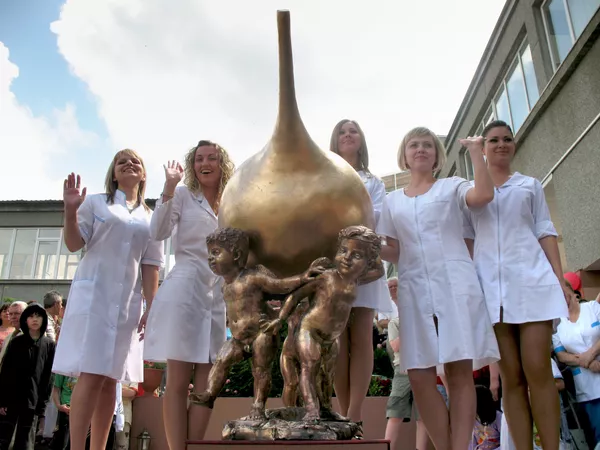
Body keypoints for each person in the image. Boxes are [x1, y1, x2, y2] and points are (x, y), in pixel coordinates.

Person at [378, 127, 499, 450]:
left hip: (454, 283)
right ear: (404, 156)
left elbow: (483, 195)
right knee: (419, 377)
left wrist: (476, 152)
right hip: (414, 289)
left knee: (458, 373)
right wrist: (366, 245)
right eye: (414, 145)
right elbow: (394, 250)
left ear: (437, 155)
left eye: (428, 145)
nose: (421, 149)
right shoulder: (391, 201)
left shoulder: (452, 186)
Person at [463, 120, 569, 450]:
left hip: (532, 283)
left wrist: (559, 278)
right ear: (483, 147)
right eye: (493, 140)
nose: (501, 144)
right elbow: (467, 241)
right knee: (511, 378)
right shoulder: (470, 192)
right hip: (491, 291)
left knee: (538, 369)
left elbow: (545, 230)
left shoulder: (529, 185)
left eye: (507, 139)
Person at [53, 149, 163, 450]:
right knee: (91, 374)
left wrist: (152, 307)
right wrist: (70, 211)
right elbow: (74, 243)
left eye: (135, 161)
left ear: (143, 174)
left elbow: (151, 265)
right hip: (94, 299)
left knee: (111, 380)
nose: (128, 164)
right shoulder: (95, 203)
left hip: (127, 305)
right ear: (113, 173)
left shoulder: (151, 217)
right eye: (121, 162)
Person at [143, 140, 235, 449]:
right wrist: (169, 187)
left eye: (212, 158)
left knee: (207, 388)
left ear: (222, 164)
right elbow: (158, 232)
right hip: (184, 291)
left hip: (218, 296)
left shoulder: (234, 201)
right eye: (198, 159)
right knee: (179, 382)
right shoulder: (183, 195)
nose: (204, 163)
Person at [191, 227, 321, 419]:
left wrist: (302, 277)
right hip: (238, 338)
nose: (210, 258)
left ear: (236, 255)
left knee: (260, 370)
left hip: (262, 332)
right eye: (209, 253)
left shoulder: (252, 278)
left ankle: (258, 406)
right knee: (221, 360)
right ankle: (210, 394)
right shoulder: (225, 285)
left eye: (216, 252)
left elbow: (280, 286)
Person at [263, 226, 384, 422]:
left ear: (367, 263)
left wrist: (370, 244)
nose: (347, 258)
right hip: (310, 331)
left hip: (330, 338)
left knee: (327, 375)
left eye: (356, 255)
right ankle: (311, 410)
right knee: (309, 368)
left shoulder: (356, 279)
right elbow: (295, 296)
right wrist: (280, 319)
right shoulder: (326, 277)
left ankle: (326, 408)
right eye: (343, 251)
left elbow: (379, 270)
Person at [329, 119, 394, 425]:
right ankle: (345, 416)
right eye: (342, 132)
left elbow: (375, 217)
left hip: (363, 263)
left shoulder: (374, 181)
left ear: (361, 140)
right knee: (337, 340)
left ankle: (355, 413)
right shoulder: (323, 177)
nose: (347, 135)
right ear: (335, 140)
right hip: (332, 263)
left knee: (361, 337)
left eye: (353, 131)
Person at [0, 303, 56, 450]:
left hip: (33, 400)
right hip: (12, 399)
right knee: (4, 438)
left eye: (38, 316)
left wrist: (42, 404)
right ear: (25, 319)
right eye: (31, 316)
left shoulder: (49, 345)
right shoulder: (16, 342)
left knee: (25, 441)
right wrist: (3, 400)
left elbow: (49, 377)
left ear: (44, 319)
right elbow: (6, 372)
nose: (35, 319)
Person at [553, 279, 600, 445]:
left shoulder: (593, 308)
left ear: (572, 291)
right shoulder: (557, 324)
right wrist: (585, 362)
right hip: (586, 388)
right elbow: (561, 355)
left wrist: (590, 354)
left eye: (563, 292)